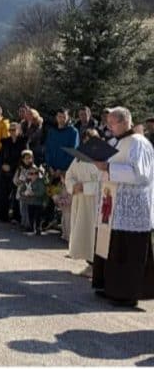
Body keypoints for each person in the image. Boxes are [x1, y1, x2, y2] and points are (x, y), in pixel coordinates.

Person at [91, 106, 154, 307]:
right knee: (114, 247)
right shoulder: (116, 142)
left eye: (112, 122)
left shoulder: (139, 143)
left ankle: (128, 294)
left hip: (134, 207)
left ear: (125, 121)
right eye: (108, 122)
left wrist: (109, 167)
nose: (109, 126)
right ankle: (111, 288)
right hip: (114, 205)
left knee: (129, 251)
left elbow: (141, 175)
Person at [64, 128, 102, 277]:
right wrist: (73, 186)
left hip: (94, 201)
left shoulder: (102, 158)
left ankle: (96, 265)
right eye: (85, 140)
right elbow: (69, 175)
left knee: (93, 233)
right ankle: (89, 263)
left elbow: (104, 182)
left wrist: (85, 187)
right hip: (80, 200)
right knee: (82, 231)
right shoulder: (79, 157)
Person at [0, 122, 28, 222]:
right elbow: (1, 156)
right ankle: (2, 215)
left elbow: (24, 158)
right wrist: (2, 165)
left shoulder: (23, 142)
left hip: (17, 171)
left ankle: (16, 216)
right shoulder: (5, 142)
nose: (12, 132)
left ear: (19, 130)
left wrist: (12, 167)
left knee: (16, 194)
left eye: (14, 129)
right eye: (10, 130)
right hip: (5, 171)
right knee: (3, 193)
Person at [20, 165, 48, 236]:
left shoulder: (40, 182)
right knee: (30, 215)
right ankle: (31, 227)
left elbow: (42, 192)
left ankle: (38, 228)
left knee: (38, 216)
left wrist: (33, 193)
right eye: (31, 173)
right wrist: (24, 193)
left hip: (38, 203)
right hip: (29, 202)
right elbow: (21, 190)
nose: (34, 175)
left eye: (36, 173)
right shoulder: (27, 182)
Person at [13, 150, 38, 231]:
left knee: (29, 209)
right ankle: (23, 223)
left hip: (30, 192)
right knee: (22, 208)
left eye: (30, 158)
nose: (28, 160)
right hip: (21, 192)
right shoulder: (20, 169)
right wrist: (18, 182)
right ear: (23, 159)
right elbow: (15, 179)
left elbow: (38, 178)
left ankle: (29, 225)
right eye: (26, 158)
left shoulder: (34, 168)